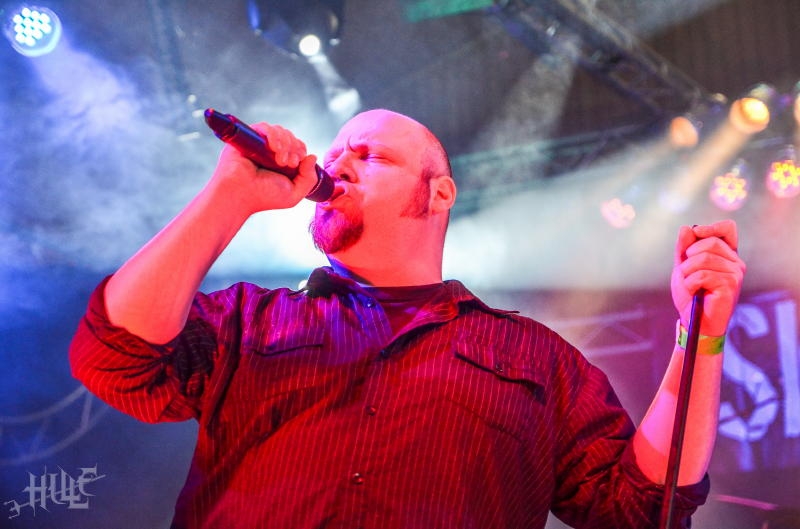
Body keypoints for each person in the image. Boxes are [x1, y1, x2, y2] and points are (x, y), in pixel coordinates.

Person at [69, 109, 746, 529]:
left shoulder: (535, 358)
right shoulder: (250, 318)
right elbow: (113, 355)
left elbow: (640, 507)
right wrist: (229, 196)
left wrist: (701, 334)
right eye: (336, 153)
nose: (338, 165)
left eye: (370, 155)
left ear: (439, 192)